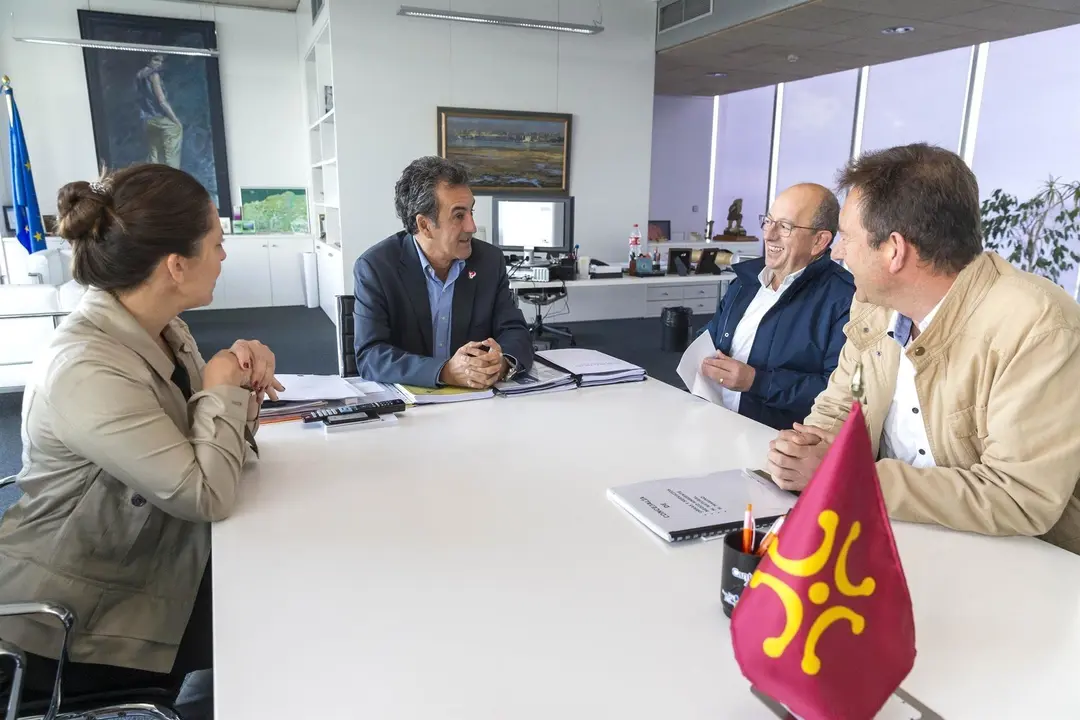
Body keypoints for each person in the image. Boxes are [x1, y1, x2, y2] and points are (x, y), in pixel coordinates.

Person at [0, 164, 282, 702]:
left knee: (294, 583)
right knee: (290, 613)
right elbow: (207, 493)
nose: (224, 256)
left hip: (152, 555)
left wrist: (239, 384)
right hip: (79, 625)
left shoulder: (162, 328)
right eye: (217, 244)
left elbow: (220, 454)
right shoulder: (86, 367)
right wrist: (222, 388)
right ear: (176, 265)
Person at [766, 143, 1080, 555]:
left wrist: (847, 477)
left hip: (1019, 563)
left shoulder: (1038, 326)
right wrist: (807, 448)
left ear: (894, 250)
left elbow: (1019, 498)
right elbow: (842, 405)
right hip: (895, 534)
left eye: (846, 237)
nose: (838, 251)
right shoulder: (872, 306)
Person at [353, 156, 533, 388]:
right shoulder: (376, 267)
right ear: (424, 225)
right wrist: (445, 371)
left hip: (479, 404)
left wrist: (503, 362)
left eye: (471, 212)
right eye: (459, 216)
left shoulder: (489, 261)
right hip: (410, 406)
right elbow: (371, 356)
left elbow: (514, 330)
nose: (472, 226)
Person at [696, 184, 854, 430]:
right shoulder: (744, 282)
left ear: (819, 241)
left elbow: (839, 394)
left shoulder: (844, 299)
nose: (769, 235)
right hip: (712, 423)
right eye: (768, 221)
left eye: (785, 226)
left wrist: (756, 382)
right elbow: (711, 337)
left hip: (775, 446)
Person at [136, 54, 184, 168]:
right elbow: (162, 101)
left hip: (146, 120)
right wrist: (176, 120)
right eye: (156, 59)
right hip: (158, 118)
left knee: (155, 154)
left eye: (161, 61)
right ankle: (173, 176)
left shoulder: (139, 75)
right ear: (148, 59)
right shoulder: (154, 75)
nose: (159, 64)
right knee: (176, 132)